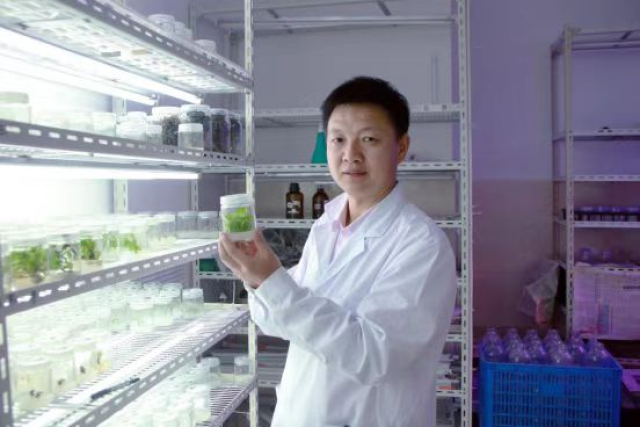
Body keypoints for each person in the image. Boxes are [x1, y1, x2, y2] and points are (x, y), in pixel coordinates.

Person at [219, 76, 457, 427]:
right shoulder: (327, 223)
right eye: (338, 139)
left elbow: (374, 355)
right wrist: (256, 278)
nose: (351, 155)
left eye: (369, 139)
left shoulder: (422, 245)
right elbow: (279, 320)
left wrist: (272, 281)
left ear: (401, 147)